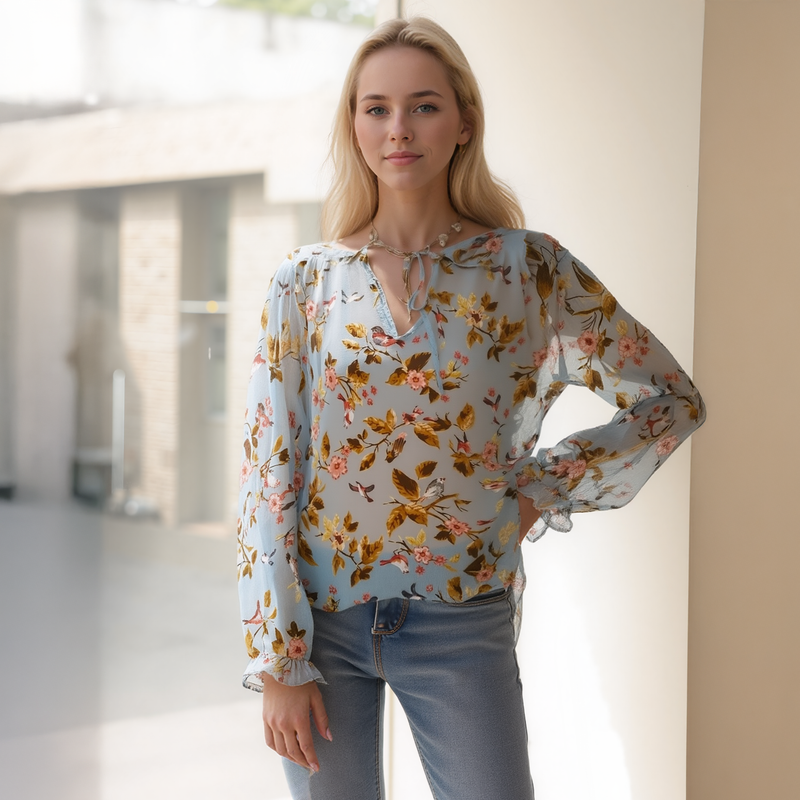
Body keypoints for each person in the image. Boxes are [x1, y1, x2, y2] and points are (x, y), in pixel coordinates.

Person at [237, 16, 705, 800]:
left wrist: (539, 491)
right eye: (375, 108)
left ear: (464, 123)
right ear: (353, 126)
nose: (397, 129)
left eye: (423, 105)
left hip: (461, 618)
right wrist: (279, 658)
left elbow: (669, 400)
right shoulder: (304, 282)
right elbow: (268, 473)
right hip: (322, 626)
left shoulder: (529, 269)